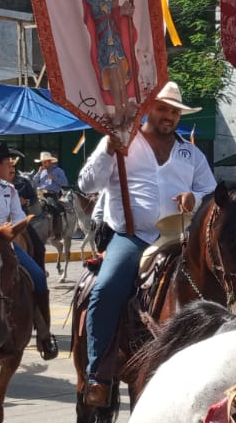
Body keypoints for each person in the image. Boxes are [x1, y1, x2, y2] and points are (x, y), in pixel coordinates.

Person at [76, 81, 215, 404]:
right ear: (147, 109)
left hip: (178, 239)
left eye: (174, 111)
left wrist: (193, 197)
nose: (169, 116)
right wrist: (109, 149)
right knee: (106, 289)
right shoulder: (122, 142)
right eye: (163, 108)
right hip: (132, 238)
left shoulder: (189, 152)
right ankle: (99, 374)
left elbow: (210, 191)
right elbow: (87, 183)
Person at [0, 140, 58, 360]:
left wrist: (12, 228)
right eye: (7, 161)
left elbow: (17, 217)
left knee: (37, 276)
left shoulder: (10, 190)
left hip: (6, 244)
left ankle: (44, 334)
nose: (10, 165)